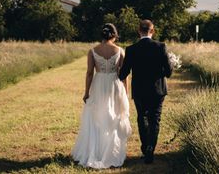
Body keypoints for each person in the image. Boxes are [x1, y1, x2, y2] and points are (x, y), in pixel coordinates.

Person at [71, 23, 132, 169]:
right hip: (114, 84)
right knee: (113, 116)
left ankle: (97, 151)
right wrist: (126, 91)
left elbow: (89, 73)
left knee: (97, 116)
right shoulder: (120, 50)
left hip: (98, 84)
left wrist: (86, 92)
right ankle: (111, 151)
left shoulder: (93, 51)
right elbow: (124, 75)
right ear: (114, 35)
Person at [119, 19, 173, 164]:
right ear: (152, 31)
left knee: (142, 117)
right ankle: (150, 148)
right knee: (155, 119)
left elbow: (123, 74)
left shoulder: (131, 49)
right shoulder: (161, 46)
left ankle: (145, 147)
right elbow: (168, 73)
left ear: (139, 31)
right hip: (157, 90)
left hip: (140, 91)